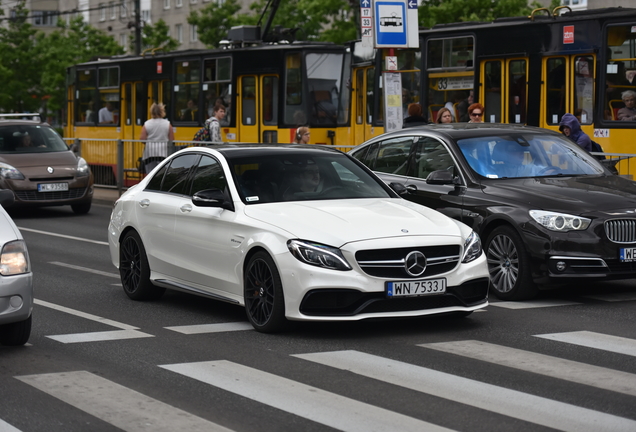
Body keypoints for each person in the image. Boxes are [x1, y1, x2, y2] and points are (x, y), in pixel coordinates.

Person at [140, 103, 174, 173]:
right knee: (161, 174)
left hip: (149, 153)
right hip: (163, 153)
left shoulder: (146, 124)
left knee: (150, 174)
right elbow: (171, 140)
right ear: (162, 112)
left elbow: (142, 139)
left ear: (151, 112)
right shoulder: (168, 124)